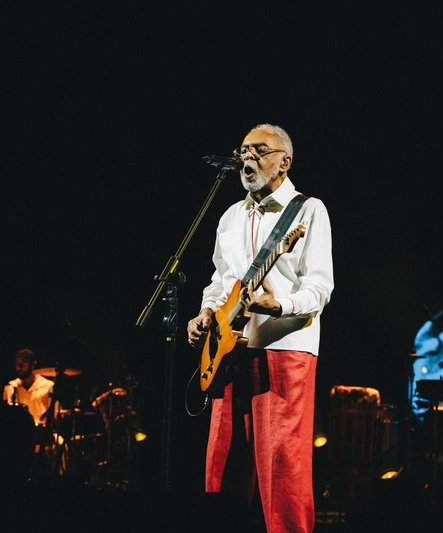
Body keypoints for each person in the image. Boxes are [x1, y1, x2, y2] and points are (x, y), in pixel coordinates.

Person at [187, 123, 334, 532]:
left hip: (284, 351)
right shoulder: (231, 216)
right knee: (221, 470)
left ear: (285, 161)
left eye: (260, 150)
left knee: (283, 472)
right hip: (228, 352)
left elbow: (321, 286)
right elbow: (221, 280)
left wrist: (279, 304)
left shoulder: (308, 210)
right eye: (244, 150)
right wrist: (205, 313)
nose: (247, 157)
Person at [3, 348, 55, 427]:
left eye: (24, 362)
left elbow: (55, 416)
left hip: (41, 433)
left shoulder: (48, 386)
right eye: (18, 363)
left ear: (33, 364)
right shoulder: (10, 387)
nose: (20, 366)